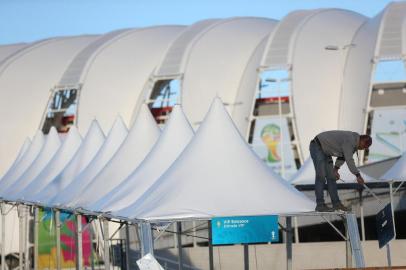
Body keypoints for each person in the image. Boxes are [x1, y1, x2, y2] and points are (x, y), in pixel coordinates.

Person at [309, 131, 372, 212]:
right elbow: (349, 160)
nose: (363, 149)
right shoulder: (350, 141)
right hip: (317, 146)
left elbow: (343, 156)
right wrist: (358, 175)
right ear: (362, 141)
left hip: (326, 150)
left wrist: (335, 169)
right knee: (321, 176)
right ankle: (320, 205)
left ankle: (336, 204)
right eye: (364, 147)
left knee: (331, 177)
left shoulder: (354, 144)